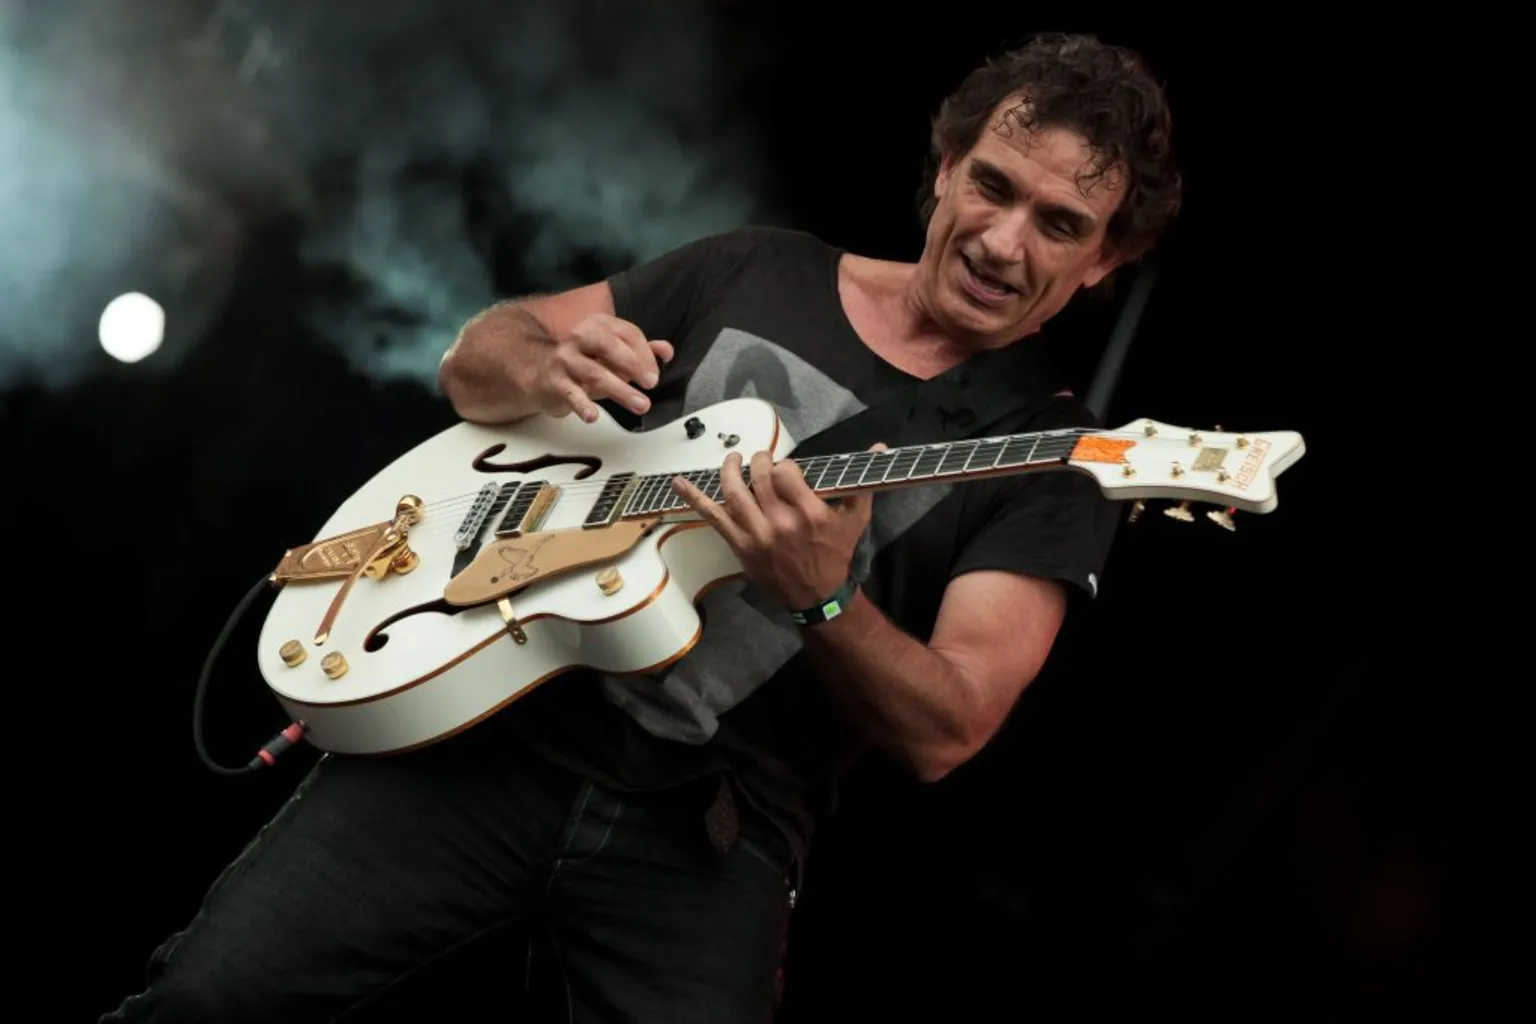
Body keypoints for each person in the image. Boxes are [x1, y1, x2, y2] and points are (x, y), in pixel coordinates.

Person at [103, 30, 1181, 1024]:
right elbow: (478, 354)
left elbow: (951, 727)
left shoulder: (1058, 459)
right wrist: (539, 362)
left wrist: (827, 594)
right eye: (993, 185)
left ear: (1103, 267)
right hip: (489, 733)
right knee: (203, 1003)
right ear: (946, 165)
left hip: (713, 832)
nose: (1002, 239)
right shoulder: (759, 266)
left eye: (1060, 225)